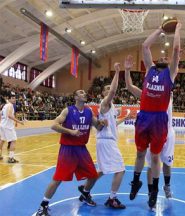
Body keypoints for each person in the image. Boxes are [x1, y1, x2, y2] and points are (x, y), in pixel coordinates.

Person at [129, 22, 182, 208]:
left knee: (155, 158)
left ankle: (155, 191)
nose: (163, 57)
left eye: (166, 58)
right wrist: (159, 29)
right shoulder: (149, 70)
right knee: (140, 154)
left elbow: (176, 49)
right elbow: (145, 46)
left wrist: (177, 30)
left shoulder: (171, 74)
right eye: (161, 56)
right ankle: (135, 182)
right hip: (144, 116)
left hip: (159, 119)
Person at [36, 90, 107, 216]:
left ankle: (85, 193)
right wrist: (70, 131)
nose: (84, 94)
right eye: (81, 93)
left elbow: (98, 127)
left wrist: (103, 123)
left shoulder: (89, 111)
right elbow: (54, 126)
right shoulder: (67, 110)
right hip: (67, 149)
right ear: (75, 97)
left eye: (85, 93)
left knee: (93, 175)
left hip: (81, 149)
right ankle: (43, 206)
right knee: (58, 179)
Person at [80, 62, 131, 209]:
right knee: (121, 169)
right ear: (103, 94)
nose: (110, 91)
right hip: (107, 142)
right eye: (107, 89)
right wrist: (117, 72)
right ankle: (112, 199)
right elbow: (114, 91)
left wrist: (124, 119)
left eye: (110, 88)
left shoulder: (111, 108)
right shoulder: (105, 103)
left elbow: (113, 123)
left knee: (101, 171)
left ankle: (85, 190)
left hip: (105, 140)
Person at [124, 55, 175, 199]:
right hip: (152, 127)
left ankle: (167, 186)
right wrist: (127, 71)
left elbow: (172, 69)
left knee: (166, 163)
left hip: (167, 131)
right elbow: (130, 87)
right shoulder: (150, 94)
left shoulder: (168, 89)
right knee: (150, 162)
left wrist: (176, 57)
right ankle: (151, 191)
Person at [0, 92, 24, 163]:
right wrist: (19, 121)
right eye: (13, 98)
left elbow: (1, 115)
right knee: (13, 141)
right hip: (8, 126)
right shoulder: (10, 105)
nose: (14, 100)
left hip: (3, 125)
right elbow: (9, 115)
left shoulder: (4, 106)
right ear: (9, 99)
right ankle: (11, 158)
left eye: (15, 98)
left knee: (2, 140)